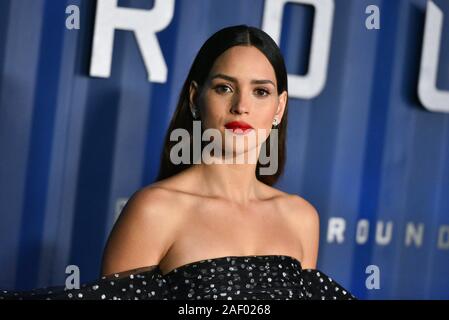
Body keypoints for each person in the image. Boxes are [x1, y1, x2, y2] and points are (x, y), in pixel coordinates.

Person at [0, 25, 356, 300]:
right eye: (224, 88)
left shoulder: (301, 218)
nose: (241, 107)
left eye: (260, 91)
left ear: (278, 108)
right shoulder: (154, 210)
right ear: (195, 97)